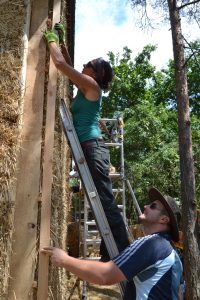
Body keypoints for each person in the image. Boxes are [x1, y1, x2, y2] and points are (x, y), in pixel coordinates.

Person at [43, 24, 130, 261]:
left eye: (88, 65)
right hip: (89, 147)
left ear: (96, 74)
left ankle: (122, 252)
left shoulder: (91, 87)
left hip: (93, 148)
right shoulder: (85, 87)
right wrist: (62, 41)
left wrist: (50, 40)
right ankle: (109, 251)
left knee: (105, 200)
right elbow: (70, 65)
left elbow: (61, 65)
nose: (83, 66)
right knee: (100, 202)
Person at [42, 187, 183, 300]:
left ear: (164, 219)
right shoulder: (170, 252)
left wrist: (64, 260)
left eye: (153, 206)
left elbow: (105, 275)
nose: (145, 206)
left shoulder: (152, 244)